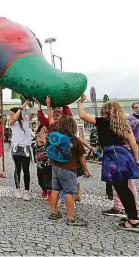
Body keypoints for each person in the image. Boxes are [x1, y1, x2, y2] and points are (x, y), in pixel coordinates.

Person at [78, 95, 139, 232]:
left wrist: (80, 102)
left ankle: (134, 221)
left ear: (105, 110)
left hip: (112, 157)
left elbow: (81, 115)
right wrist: (137, 159)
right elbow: (133, 144)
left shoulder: (101, 122)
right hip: (124, 155)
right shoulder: (123, 124)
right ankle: (132, 217)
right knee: (125, 189)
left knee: (122, 190)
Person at [47, 115, 90, 226]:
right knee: (69, 192)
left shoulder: (54, 137)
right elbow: (81, 156)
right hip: (68, 168)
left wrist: (48, 104)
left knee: (55, 190)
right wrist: (85, 170)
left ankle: (53, 212)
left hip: (55, 167)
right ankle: (71, 218)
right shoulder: (75, 140)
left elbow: (51, 120)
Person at [9, 99, 36, 200]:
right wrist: (22, 106)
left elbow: (33, 111)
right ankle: (17, 189)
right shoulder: (12, 122)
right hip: (16, 147)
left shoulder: (25, 119)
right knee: (17, 169)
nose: (10, 116)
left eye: (12, 114)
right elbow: (15, 118)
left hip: (26, 148)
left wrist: (28, 103)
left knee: (26, 170)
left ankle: (27, 190)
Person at [33, 124, 52, 202]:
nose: (41, 134)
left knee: (48, 181)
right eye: (39, 135)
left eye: (44, 131)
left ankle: (50, 195)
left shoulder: (48, 144)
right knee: (40, 179)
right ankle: (44, 191)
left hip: (48, 165)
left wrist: (45, 142)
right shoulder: (35, 146)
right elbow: (34, 154)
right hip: (39, 165)